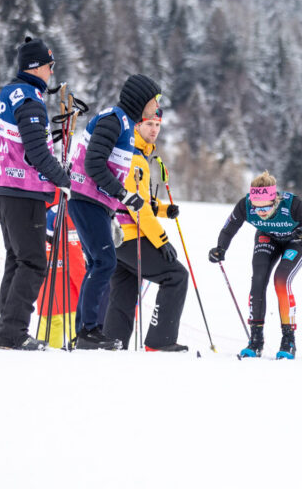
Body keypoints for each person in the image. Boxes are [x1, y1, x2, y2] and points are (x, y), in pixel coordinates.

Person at [0, 37, 72, 350]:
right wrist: (61, 179)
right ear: (37, 67)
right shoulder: (29, 98)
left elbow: (23, 141)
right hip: (24, 191)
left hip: (7, 189)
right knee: (34, 262)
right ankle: (12, 331)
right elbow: (36, 150)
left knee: (18, 259)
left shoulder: (11, 93)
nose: (52, 73)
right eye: (50, 66)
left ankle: (7, 331)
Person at [67, 74, 156, 350]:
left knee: (98, 263)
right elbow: (94, 164)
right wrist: (123, 194)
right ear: (141, 100)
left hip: (98, 203)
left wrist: (116, 205)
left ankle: (85, 330)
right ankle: (88, 330)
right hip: (86, 198)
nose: (157, 105)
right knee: (105, 262)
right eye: (155, 100)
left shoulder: (127, 124)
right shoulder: (114, 119)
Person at [208, 171, 302, 359]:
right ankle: (256, 341)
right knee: (258, 281)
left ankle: (288, 341)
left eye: (265, 208)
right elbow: (229, 228)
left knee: (281, 280)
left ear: (275, 201)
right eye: (256, 209)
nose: (261, 213)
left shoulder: (292, 205)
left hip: (297, 240)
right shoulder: (245, 205)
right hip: (267, 237)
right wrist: (220, 249)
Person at [102, 108, 188, 351]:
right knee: (175, 276)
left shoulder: (134, 153)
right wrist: (162, 240)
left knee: (125, 288)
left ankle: (112, 343)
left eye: (158, 125)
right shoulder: (134, 158)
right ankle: (159, 342)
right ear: (136, 126)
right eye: (149, 124)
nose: (154, 130)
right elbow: (138, 210)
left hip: (117, 237)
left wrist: (163, 209)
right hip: (129, 235)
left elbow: (140, 201)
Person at [36, 194, 86, 349]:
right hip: (69, 294)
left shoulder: (35, 201)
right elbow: (74, 256)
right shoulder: (64, 207)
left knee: (47, 349)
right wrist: (85, 291)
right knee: (81, 349)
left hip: (44, 290)